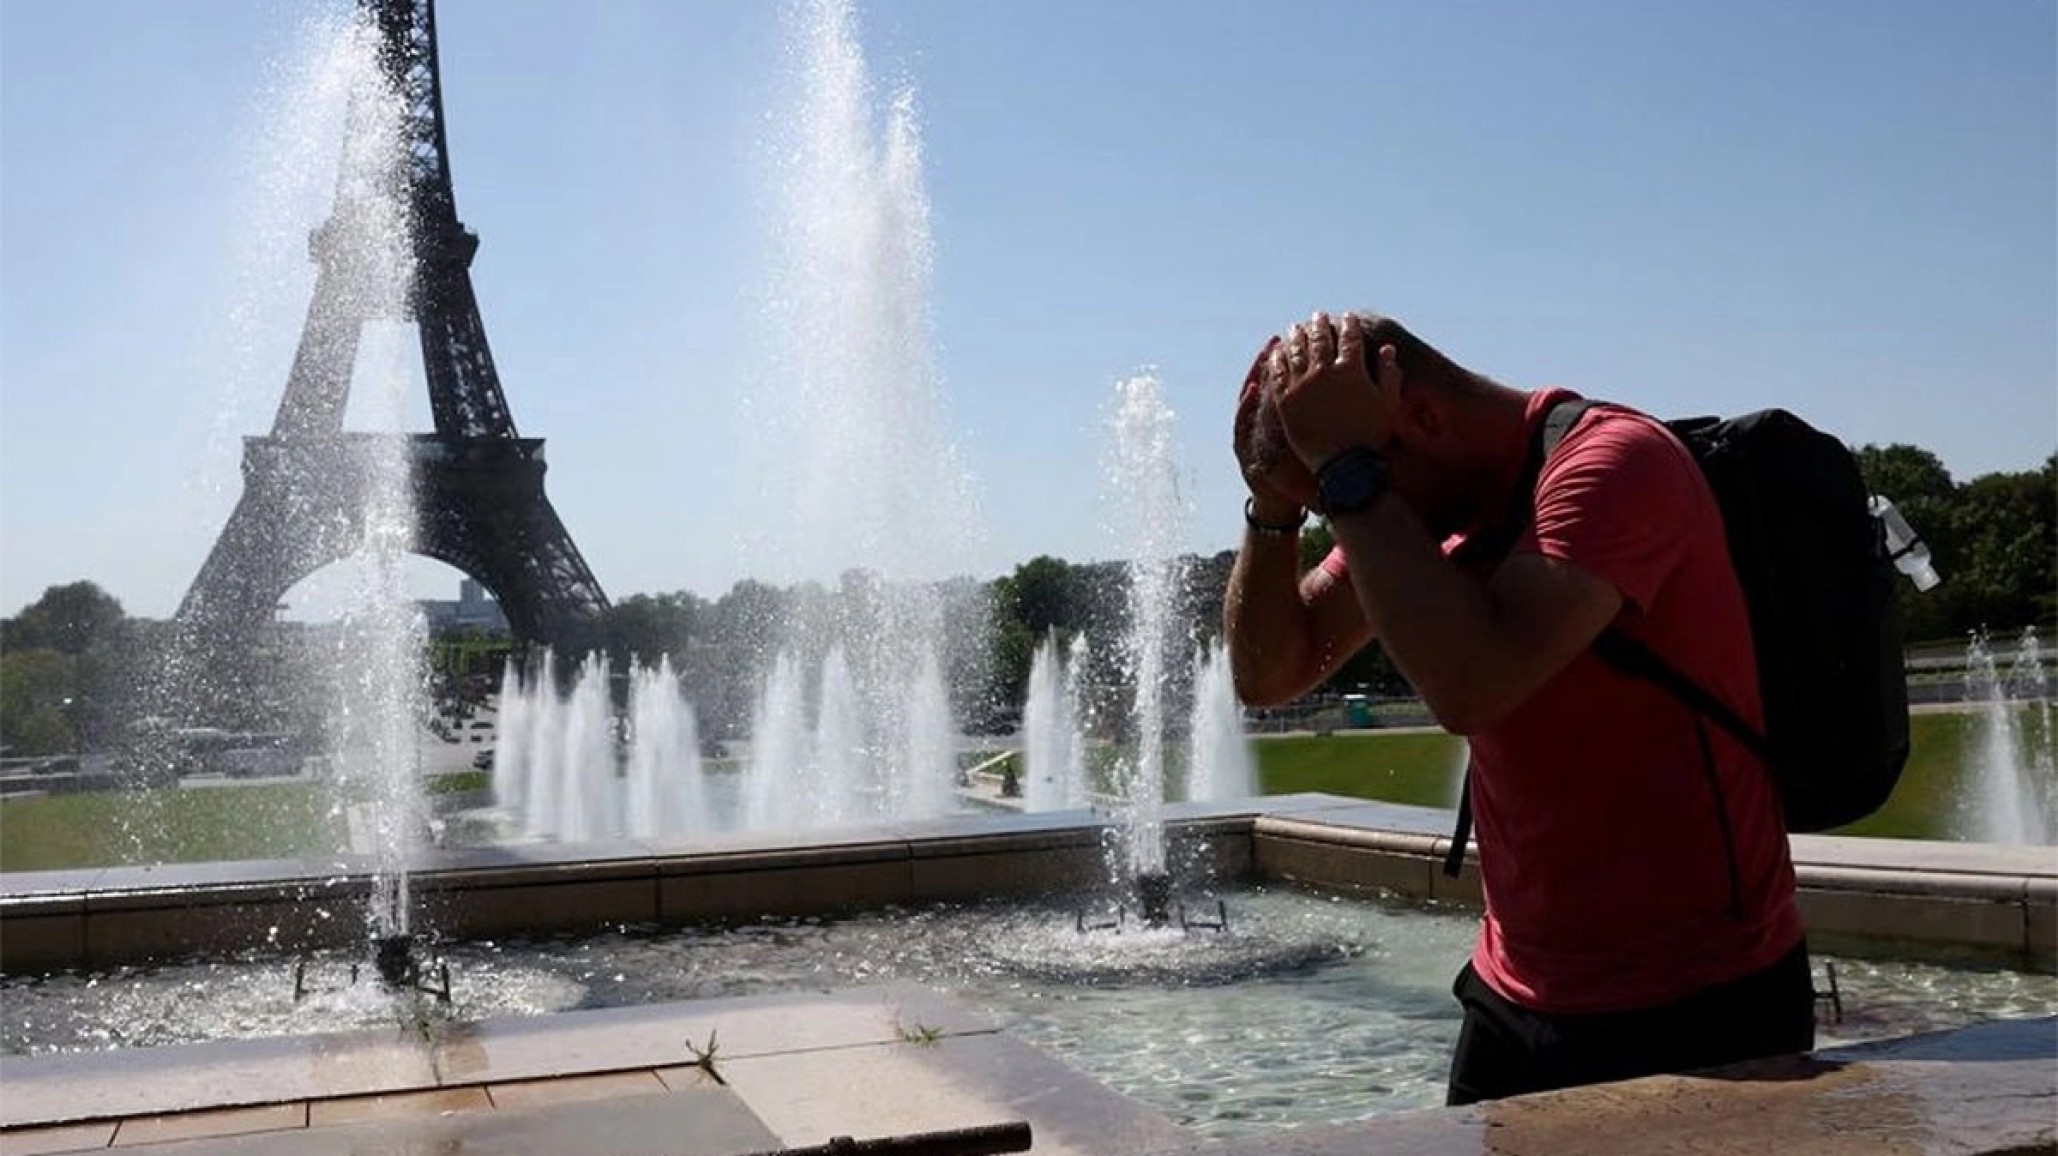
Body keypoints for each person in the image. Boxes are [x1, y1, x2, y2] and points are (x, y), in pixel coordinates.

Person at [1224, 311, 1814, 1105]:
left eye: (1340, 486)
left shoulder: (1613, 466)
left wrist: (1348, 475)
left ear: (1421, 417)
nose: (1345, 513)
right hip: (1517, 991)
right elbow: (1270, 674)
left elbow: (1474, 683)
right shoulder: (1414, 503)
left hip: (1699, 997)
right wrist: (1274, 509)